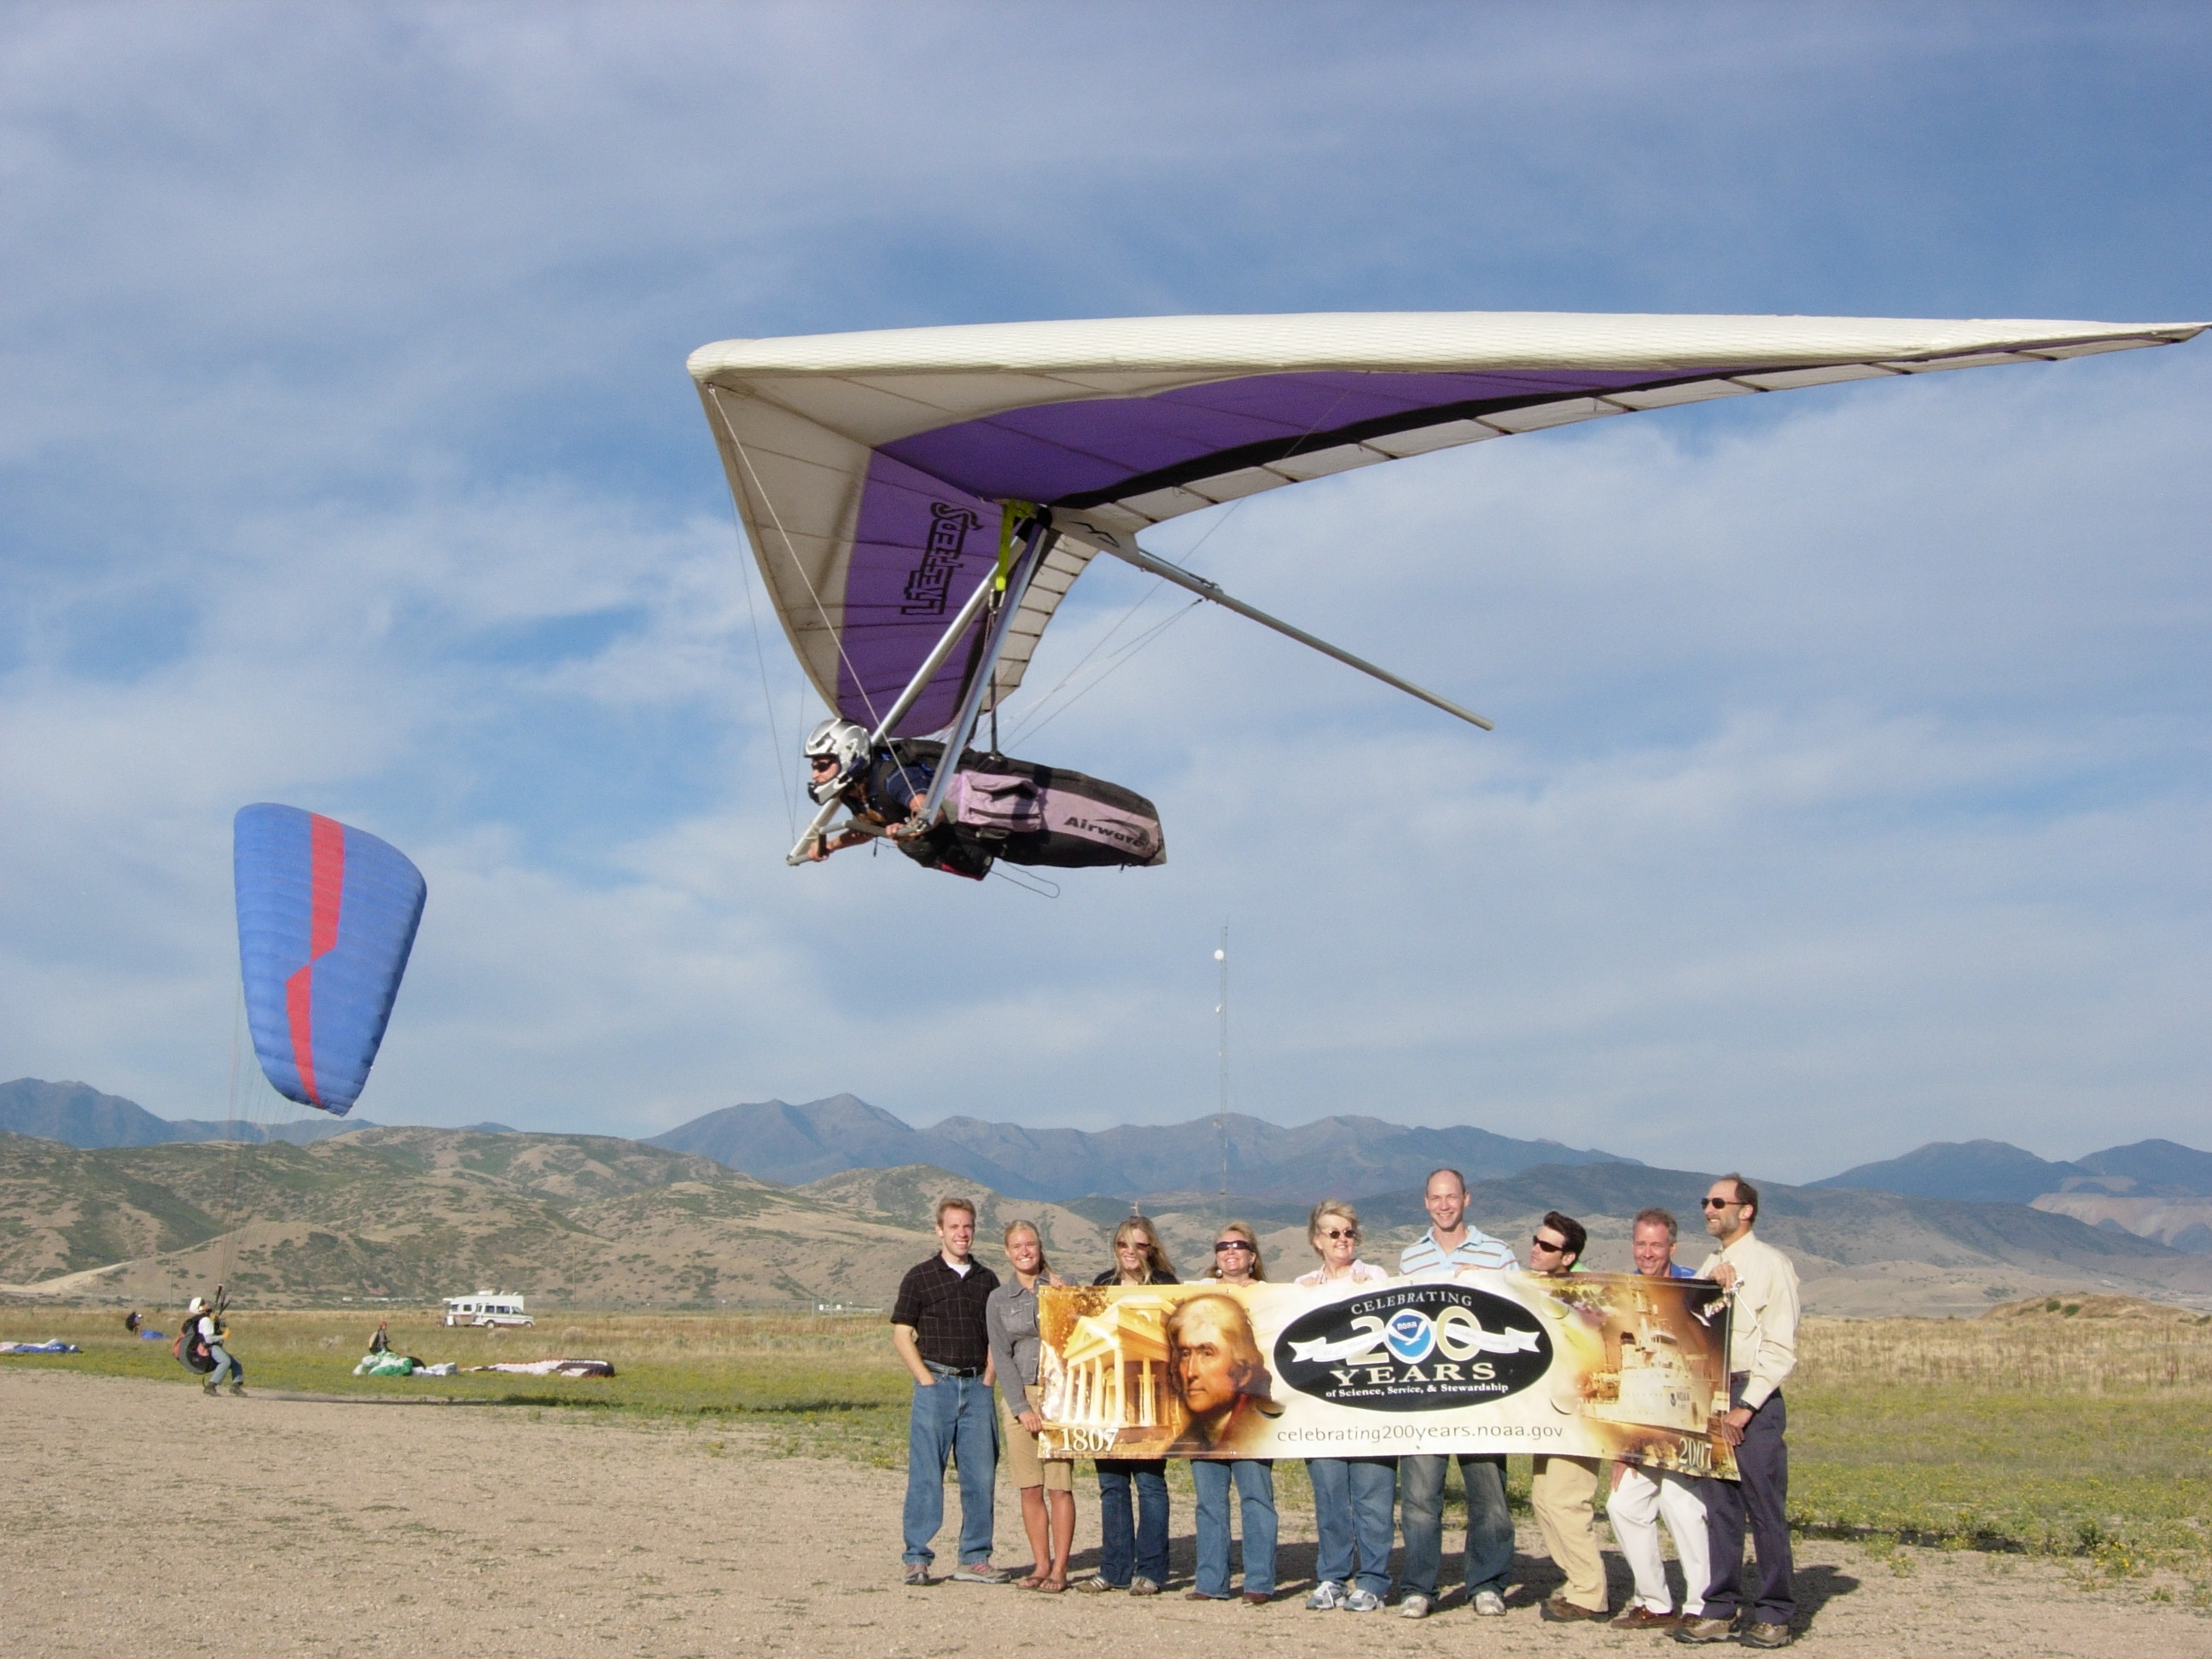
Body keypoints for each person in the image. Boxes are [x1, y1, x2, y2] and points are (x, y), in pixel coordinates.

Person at [1676, 1176, 1800, 1650]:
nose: (1708, 1208)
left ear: (1745, 1210)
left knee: (1764, 1508)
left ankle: (1774, 1613)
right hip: (1712, 1389)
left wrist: (1747, 1406)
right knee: (1720, 1509)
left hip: (1751, 1395)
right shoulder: (1712, 1264)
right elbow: (1692, 1323)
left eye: (1718, 1202)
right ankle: (1720, 1607)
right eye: (1705, 1201)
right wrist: (1708, 1287)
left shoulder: (1771, 1265)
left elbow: (1779, 1345)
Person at [1394, 1167, 1516, 1619]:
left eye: (1452, 1197)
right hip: (1426, 1398)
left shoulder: (1499, 1254)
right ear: (1426, 1202)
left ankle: (1487, 1583)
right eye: (1436, 1198)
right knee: (1421, 1499)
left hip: (1483, 1396)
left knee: (1490, 1496)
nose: (1444, 1205)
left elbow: (1519, 1314)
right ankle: (1419, 1587)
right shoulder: (1410, 1260)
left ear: (1467, 1198)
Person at [891, 1196, 1005, 1586]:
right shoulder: (920, 1277)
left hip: (976, 1388)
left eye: (967, 1226)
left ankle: (975, 1557)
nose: (962, 1233)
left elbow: (996, 1336)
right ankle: (917, 1557)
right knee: (926, 1474)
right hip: (935, 1385)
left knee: (981, 1475)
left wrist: (989, 1378)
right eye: (954, 1226)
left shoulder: (987, 1280)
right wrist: (924, 1377)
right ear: (939, 1230)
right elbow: (902, 1332)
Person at [1608, 1208, 1711, 1632]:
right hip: (1642, 1427)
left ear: (1672, 1246)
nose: (1648, 1253)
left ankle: (1703, 1603)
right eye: (1641, 1244)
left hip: (1686, 1424)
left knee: (1682, 1506)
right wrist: (1621, 1451)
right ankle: (1654, 1600)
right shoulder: (1622, 1295)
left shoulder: (1693, 1287)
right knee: (1622, 1504)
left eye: (1656, 1244)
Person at [1295, 1201, 1395, 1613]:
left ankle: (1373, 1579)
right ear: (1317, 1240)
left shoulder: (1376, 1277)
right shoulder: (1302, 1286)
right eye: (1332, 1233)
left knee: (1373, 1496)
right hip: (1322, 1410)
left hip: (1371, 1407)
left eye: (1348, 1232)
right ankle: (1332, 1576)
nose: (1342, 1239)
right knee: (1330, 1496)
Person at [1071, 1216, 1179, 1596]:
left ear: (1152, 1248)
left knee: (1150, 1485)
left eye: (1139, 1245)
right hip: (1110, 1397)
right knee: (1112, 1485)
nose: (1130, 1253)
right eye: (1123, 1245)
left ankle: (1151, 1569)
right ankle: (1114, 1568)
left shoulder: (1166, 1284)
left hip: (1151, 1393)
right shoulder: (1104, 1283)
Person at [1177, 1225, 1278, 1604]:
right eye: (1222, 1246)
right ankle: (1211, 1581)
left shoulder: (1272, 1295)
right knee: (1209, 1500)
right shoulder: (1198, 1291)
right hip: (1205, 1418)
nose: (1230, 1251)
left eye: (1239, 1245)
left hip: (1252, 1409)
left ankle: (1259, 1582)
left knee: (1256, 1497)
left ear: (1253, 1255)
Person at [985, 1220, 1074, 1592]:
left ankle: (1061, 1569)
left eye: (1031, 1245)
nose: (1025, 1251)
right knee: (1030, 1487)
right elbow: (1001, 1355)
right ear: (1007, 1252)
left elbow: (1082, 1335)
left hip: (1060, 1394)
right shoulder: (998, 1300)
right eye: (1017, 1246)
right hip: (1020, 1392)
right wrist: (1020, 1406)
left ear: (1040, 1248)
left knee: (1060, 1486)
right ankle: (1040, 1564)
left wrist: (1068, 1301)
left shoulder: (1059, 1287)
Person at [1527, 1212, 1607, 1622]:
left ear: (1569, 1256)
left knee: (1567, 1500)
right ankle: (1578, 1581)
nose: (1536, 1250)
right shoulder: (1537, 1285)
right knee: (1544, 1498)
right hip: (1549, 1413)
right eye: (1536, 1242)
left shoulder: (1588, 1296)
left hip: (1580, 1415)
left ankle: (1590, 1593)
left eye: (1547, 1246)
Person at [802, 719, 935, 860]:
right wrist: (830, 845)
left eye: (822, 767)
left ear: (848, 757)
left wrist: (909, 828)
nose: (814, 775)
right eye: (814, 767)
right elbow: (866, 829)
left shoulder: (892, 778)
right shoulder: (853, 791)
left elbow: (929, 811)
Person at [185, 1296, 244, 1396]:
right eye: (203, 1303)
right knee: (225, 1361)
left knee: (236, 1364)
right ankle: (210, 1386)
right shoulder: (205, 1320)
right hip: (210, 1346)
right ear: (200, 1309)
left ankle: (236, 1386)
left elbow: (223, 1325)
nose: (206, 1303)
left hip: (212, 1345)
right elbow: (209, 1339)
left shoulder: (209, 1319)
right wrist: (224, 1336)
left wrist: (218, 1321)